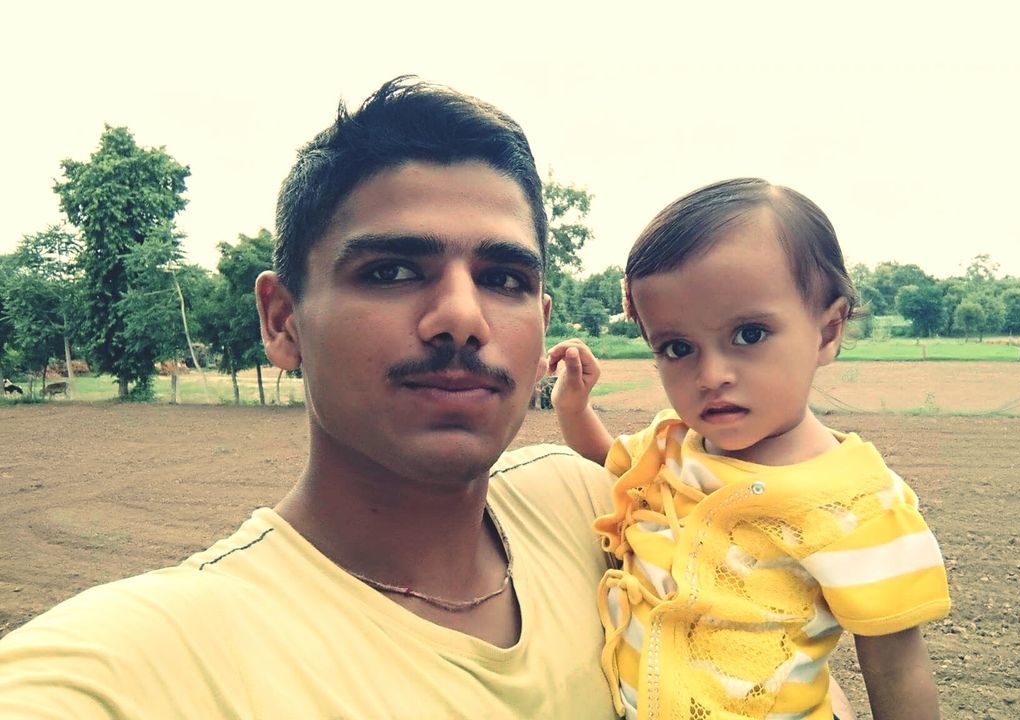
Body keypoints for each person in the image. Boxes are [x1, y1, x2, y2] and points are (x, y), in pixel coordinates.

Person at [0, 77, 620, 717]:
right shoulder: (156, 660)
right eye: (391, 271)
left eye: (503, 278)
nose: (463, 317)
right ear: (282, 321)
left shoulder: (591, 508)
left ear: (543, 320)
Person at [549, 178, 952, 720]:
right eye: (677, 347)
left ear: (827, 331)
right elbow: (608, 463)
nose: (711, 375)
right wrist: (574, 409)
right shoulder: (671, 445)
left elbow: (896, 666)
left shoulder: (855, 503)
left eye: (750, 335)